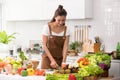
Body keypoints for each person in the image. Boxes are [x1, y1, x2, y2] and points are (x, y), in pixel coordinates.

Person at [41, 5, 70, 69]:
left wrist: (64, 62)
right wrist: (52, 60)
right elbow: (44, 45)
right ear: (55, 18)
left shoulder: (66, 30)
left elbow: (65, 47)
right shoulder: (47, 27)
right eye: (59, 20)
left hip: (59, 59)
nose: (61, 22)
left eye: (63, 20)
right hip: (47, 59)